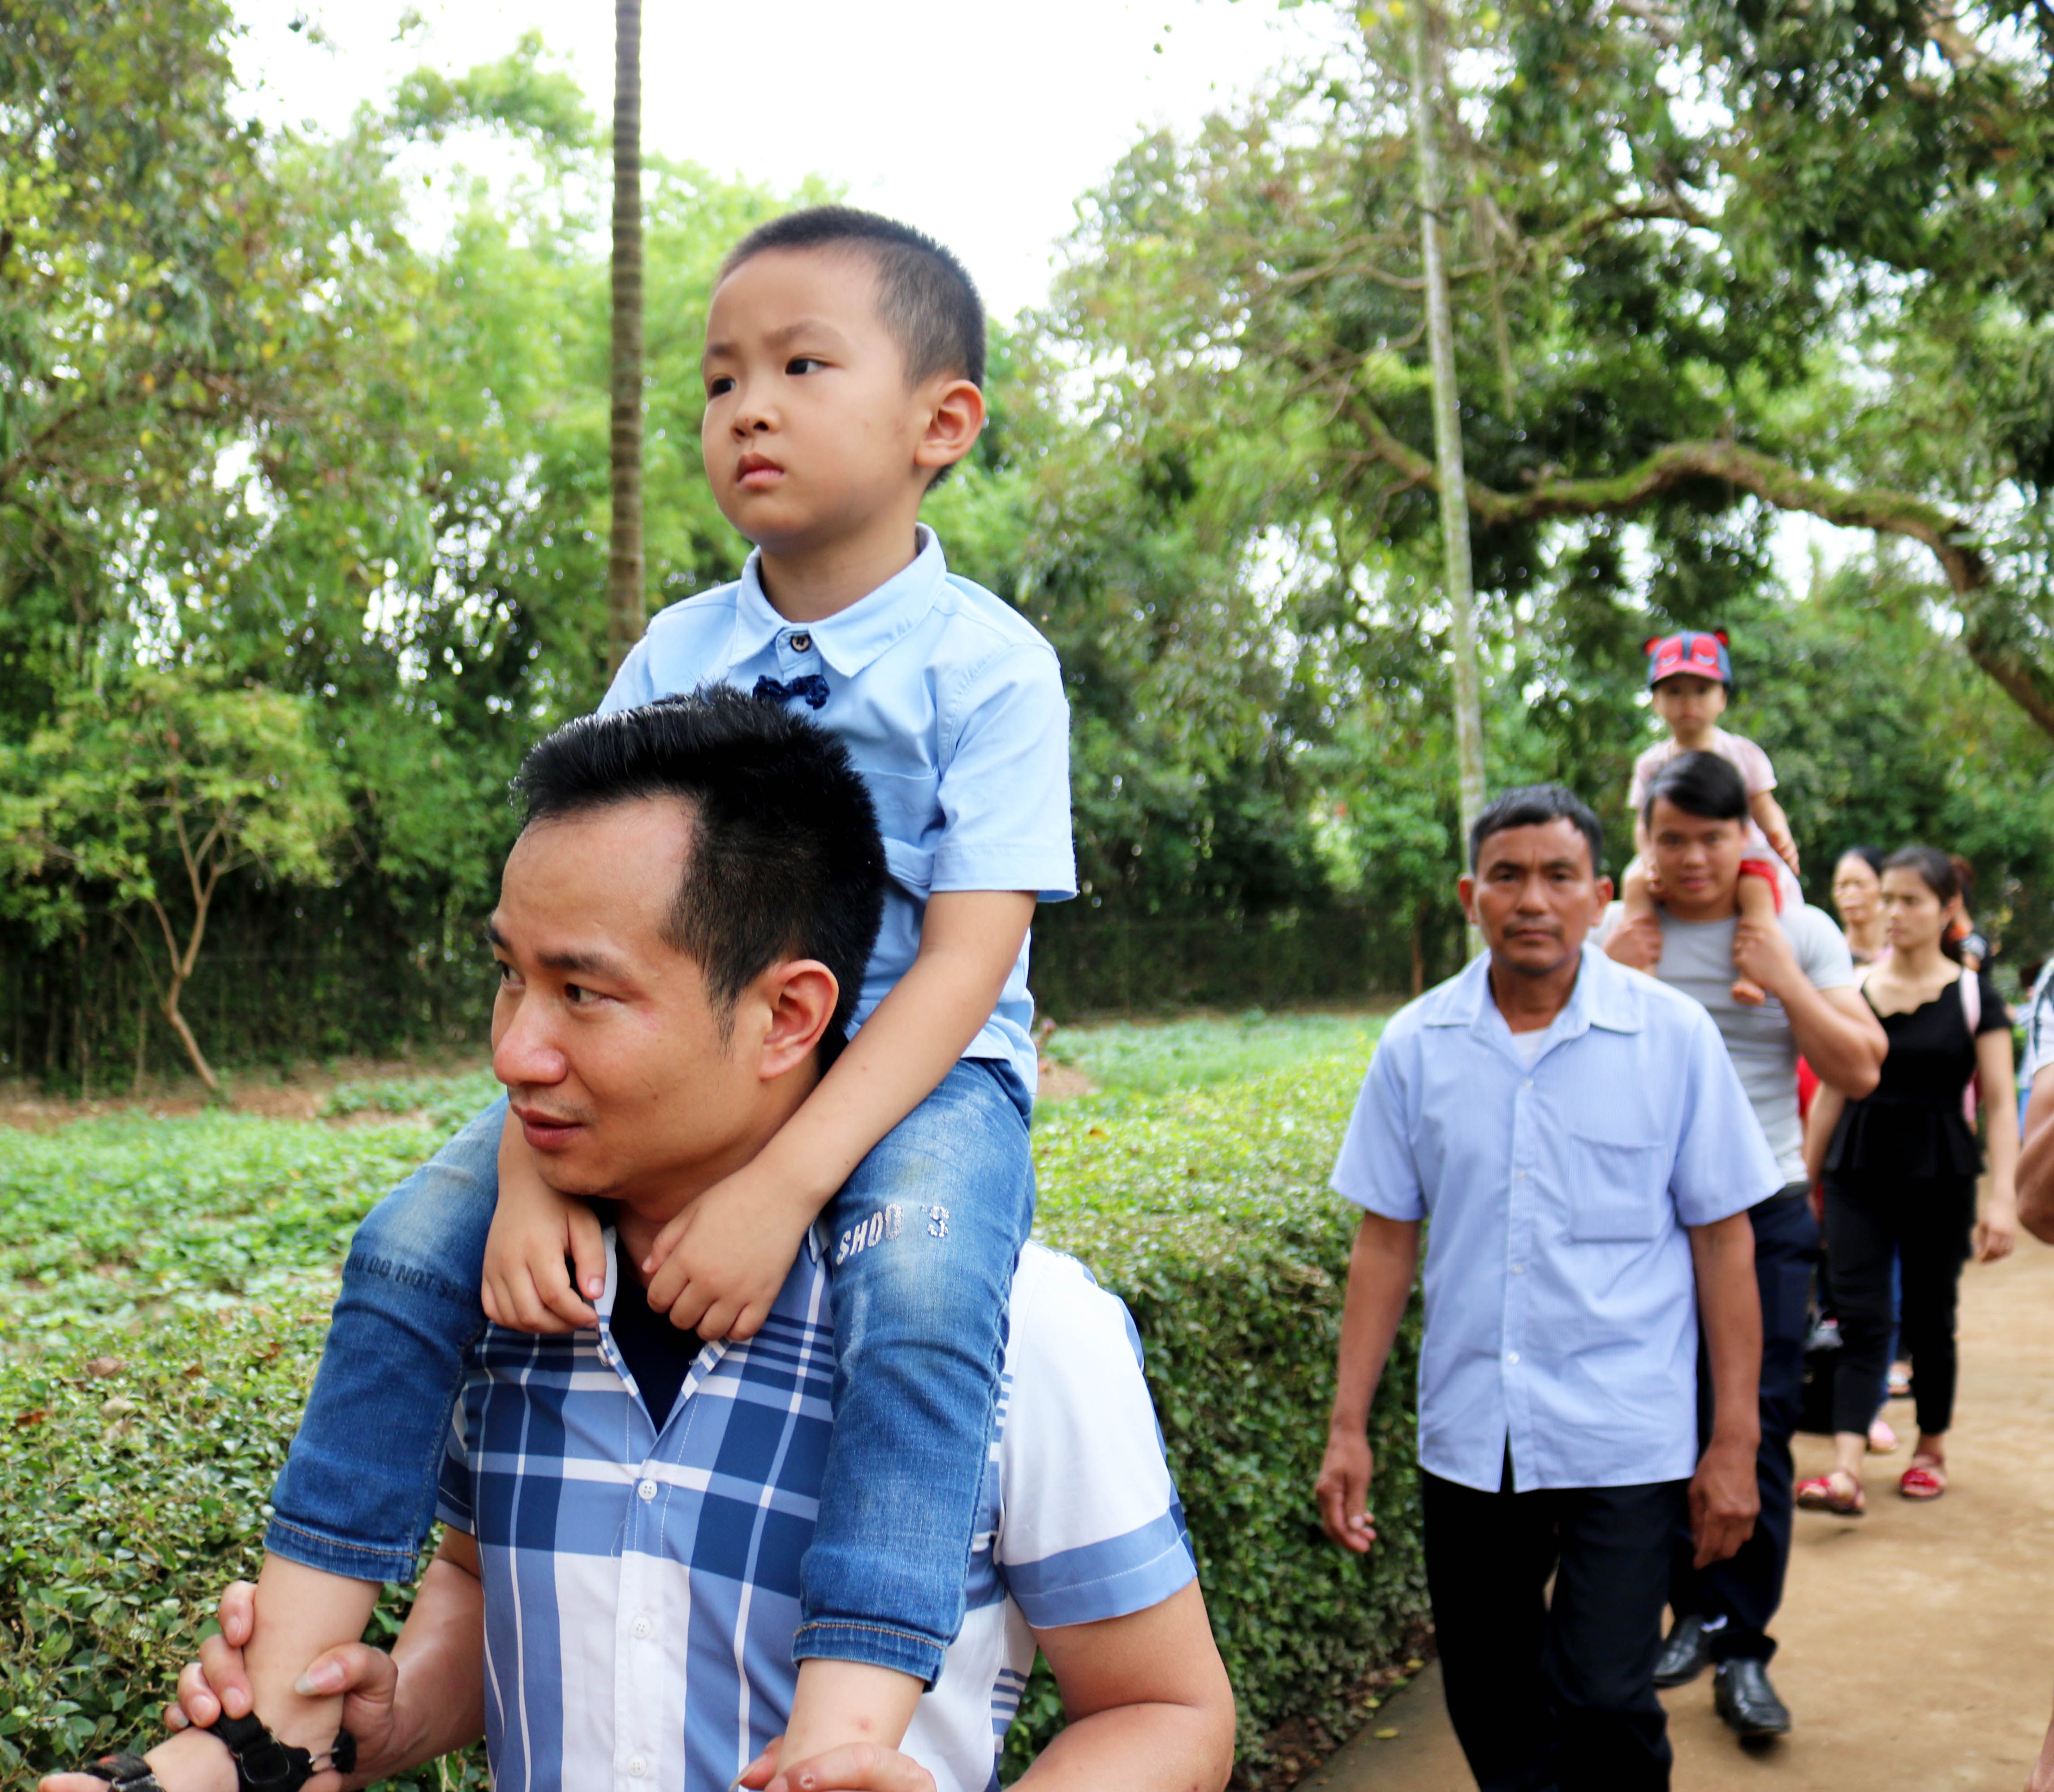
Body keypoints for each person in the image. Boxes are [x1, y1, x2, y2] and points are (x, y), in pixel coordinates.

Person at [106, 206, 1079, 1788]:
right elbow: (583, 930)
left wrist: (783, 1181)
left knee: (915, 1309)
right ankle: (272, 1711)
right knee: (406, 1248)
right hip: (683, 1067)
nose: (745, 407)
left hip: (921, 1075)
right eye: (717, 378)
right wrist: (524, 1164)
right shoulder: (681, 647)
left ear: (943, 422)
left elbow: (968, 965)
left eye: (799, 365)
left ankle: (843, 1734)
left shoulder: (988, 666)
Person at [53, 694, 1233, 1792]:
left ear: (788, 1015)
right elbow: (475, 1580)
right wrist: (390, 1710)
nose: (515, 1051)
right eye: (510, 978)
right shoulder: (510, 1286)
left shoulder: (1021, 1330)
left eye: (583, 992)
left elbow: (1171, 1714)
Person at [1315, 782, 1772, 1792]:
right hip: (1475, 1434)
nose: (1534, 898)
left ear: (1601, 894)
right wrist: (1349, 1424)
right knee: (1489, 1694)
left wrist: (1734, 1436)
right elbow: (1386, 1241)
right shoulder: (1417, 1045)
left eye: (1560, 875)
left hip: (1626, 1429)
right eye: (1509, 876)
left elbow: (1723, 1240)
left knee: (1606, 1692)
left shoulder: (1671, 1037)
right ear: (1471, 893)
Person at [1600, 751, 1886, 1743]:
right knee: (1657, 1424)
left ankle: (1747, 1648)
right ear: (1644, 839)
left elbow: (1859, 1063)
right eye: (1669, 838)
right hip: (1641, 1223)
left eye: (1712, 838)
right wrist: (1612, 972)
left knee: (1752, 1427)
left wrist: (1782, 983)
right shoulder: (1619, 932)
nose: (1690, 858)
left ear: (1746, 840)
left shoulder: (1796, 929)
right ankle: (1693, 1615)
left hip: (1762, 1208)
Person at [1799, 847, 2019, 1513]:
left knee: (1929, 1316)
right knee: (1863, 1317)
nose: (1894, 913)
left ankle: (1932, 1449)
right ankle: (1845, 1469)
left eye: (1911, 901)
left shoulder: (1978, 996)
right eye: (1887, 899)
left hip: (1940, 1172)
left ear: (1948, 909)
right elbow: (1833, 1093)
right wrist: (1803, 1185)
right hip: (1857, 1171)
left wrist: (2003, 1198)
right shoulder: (1855, 991)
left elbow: (2003, 1103)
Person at [1618, 631, 1801, 1007]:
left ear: (1723, 698)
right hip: (1671, 863)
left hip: (1743, 860)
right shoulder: (1651, 764)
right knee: (1634, 882)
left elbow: (1764, 805)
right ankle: (1643, 962)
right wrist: (1649, 856)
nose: (1688, 703)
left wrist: (1779, 834)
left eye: (1701, 691)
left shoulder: (1742, 753)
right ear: (1655, 701)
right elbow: (1643, 823)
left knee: (1758, 893)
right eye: (1674, 692)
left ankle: (1754, 971)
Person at [1829, 846, 1889, 967]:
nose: (1850, 894)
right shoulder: (1829, 956)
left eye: (1860, 884)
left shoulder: (1904, 953)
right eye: (1842, 886)